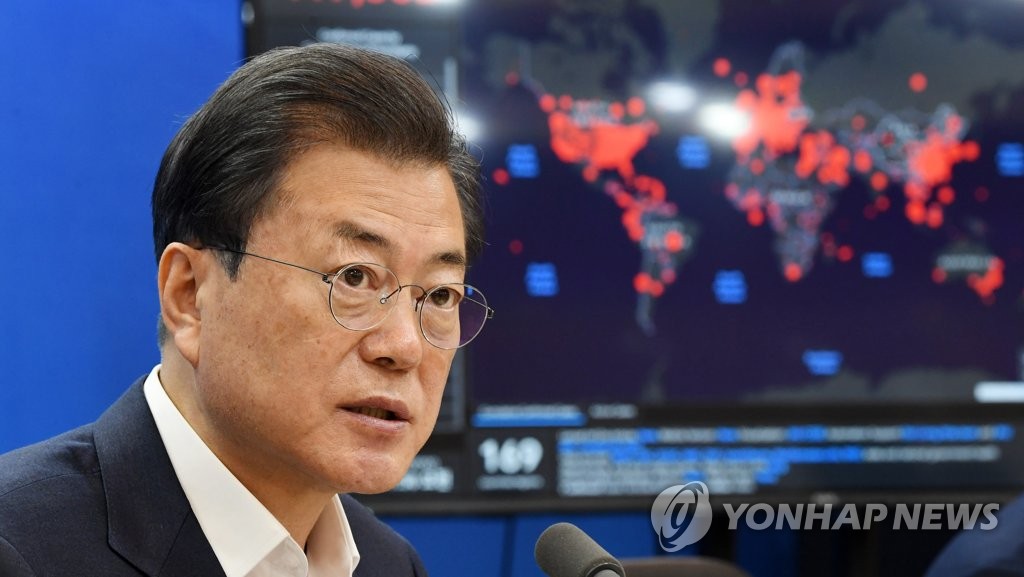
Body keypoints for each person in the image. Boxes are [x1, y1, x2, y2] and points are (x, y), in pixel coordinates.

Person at [0, 42, 490, 577]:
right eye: (354, 277)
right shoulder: (19, 550)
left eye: (439, 295)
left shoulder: (389, 565)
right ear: (190, 295)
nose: (404, 346)